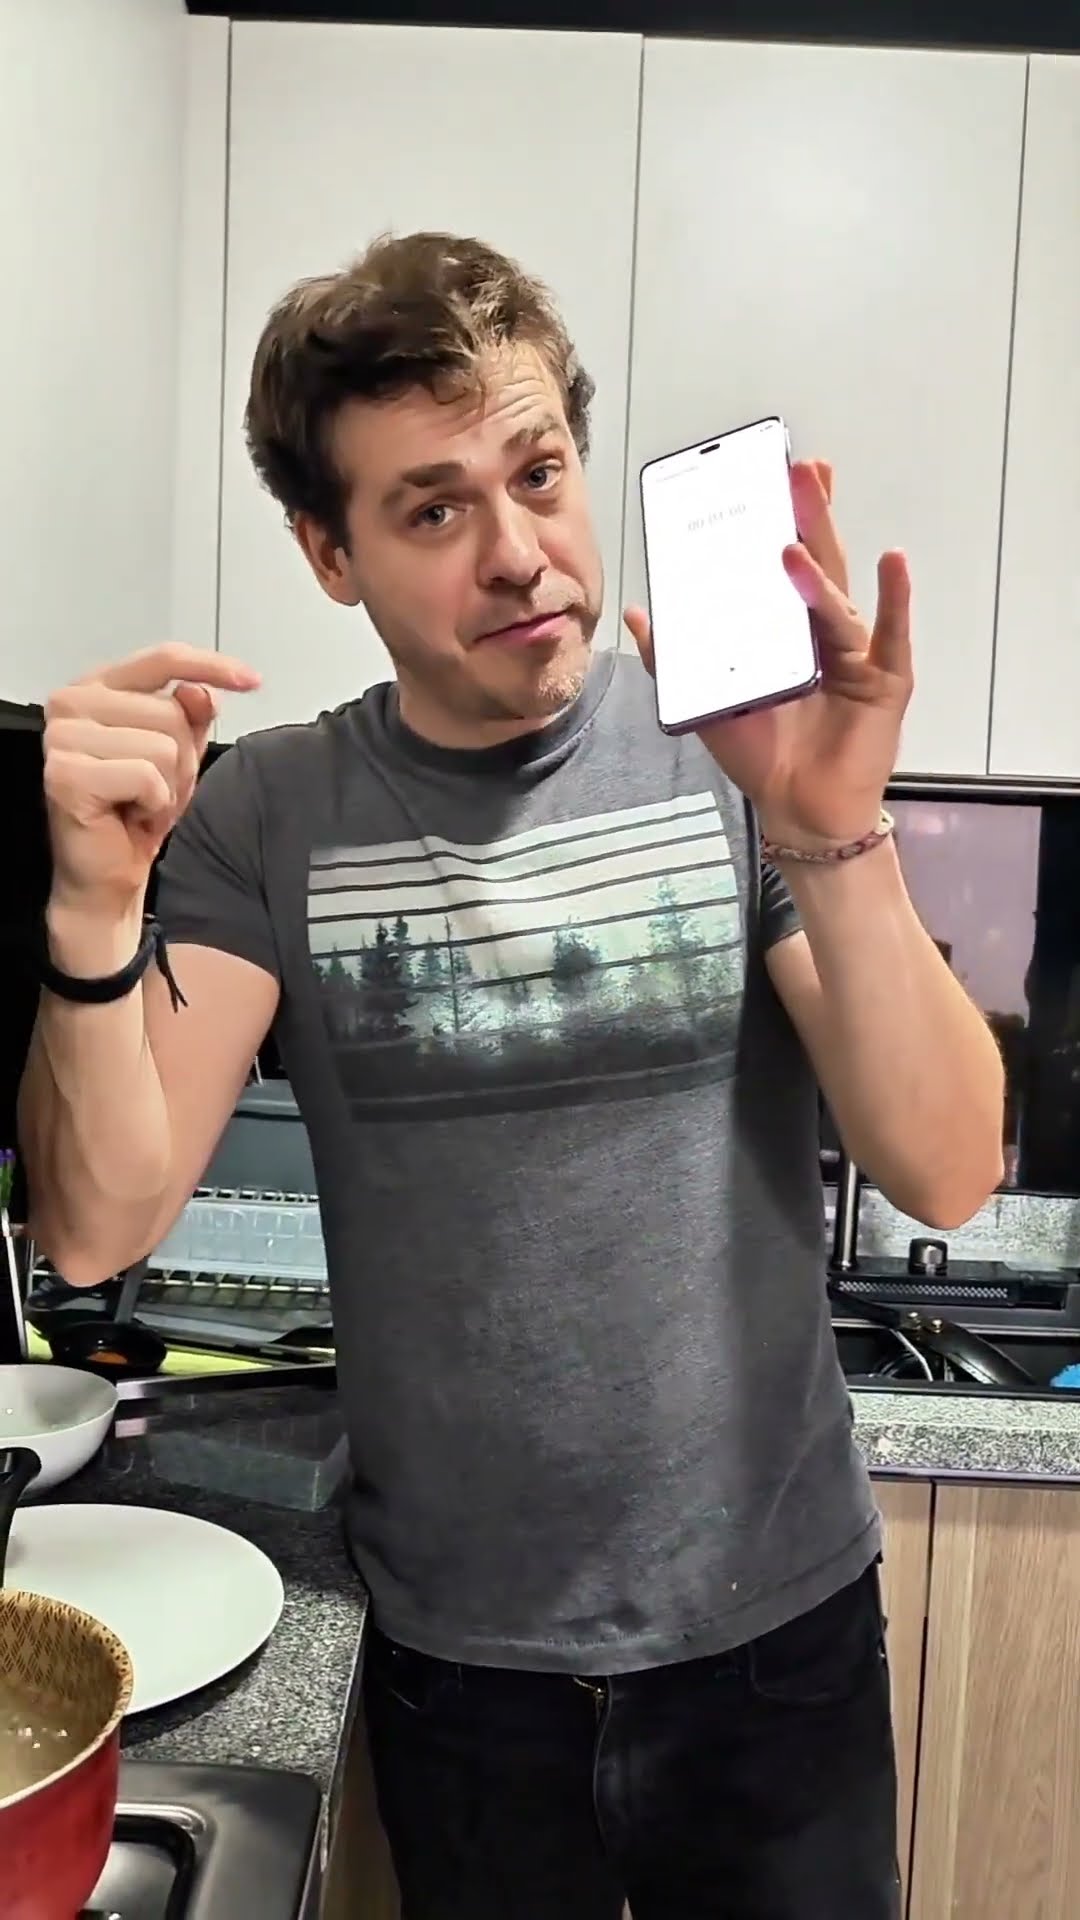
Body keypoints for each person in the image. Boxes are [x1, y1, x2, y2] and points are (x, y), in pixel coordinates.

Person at [20, 232, 1004, 1919]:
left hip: (777, 1645)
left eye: (538, 474)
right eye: (432, 510)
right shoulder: (271, 811)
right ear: (331, 554)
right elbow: (98, 1225)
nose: (517, 554)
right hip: (466, 1676)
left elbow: (951, 1169)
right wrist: (93, 909)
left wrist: (832, 832)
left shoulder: (733, 757)